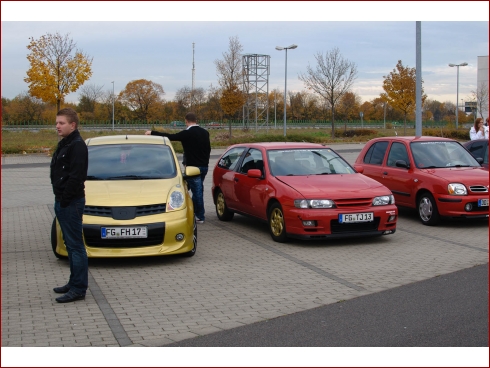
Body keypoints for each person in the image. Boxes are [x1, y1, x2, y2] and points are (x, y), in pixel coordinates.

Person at [50, 108, 89, 303]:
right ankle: (73, 282)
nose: (57, 126)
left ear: (72, 125)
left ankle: (79, 288)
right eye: (57, 123)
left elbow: (76, 177)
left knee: (75, 246)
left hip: (71, 202)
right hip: (63, 201)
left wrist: (64, 199)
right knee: (70, 244)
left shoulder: (77, 145)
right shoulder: (66, 143)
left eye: (61, 123)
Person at [145, 112, 211, 223]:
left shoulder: (187, 133)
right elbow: (208, 149)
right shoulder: (205, 133)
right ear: (196, 120)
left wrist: (152, 133)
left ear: (186, 121)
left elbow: (170, 137)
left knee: (197, 192)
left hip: (192, 169)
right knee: (193, 189)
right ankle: (190, 210)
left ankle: (199, 216)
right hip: (204, 167)